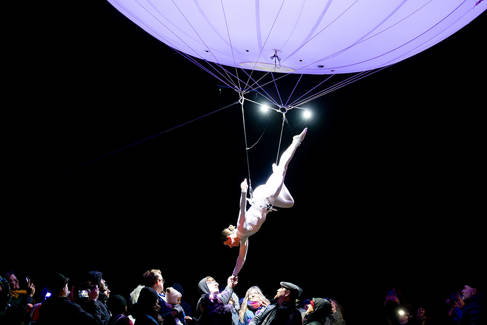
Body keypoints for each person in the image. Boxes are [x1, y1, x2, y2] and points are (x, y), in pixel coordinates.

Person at [222, 128, 308, 276]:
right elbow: (241, 259)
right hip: (269, 201)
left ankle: (296, 141)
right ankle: (276, 174)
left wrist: (243, 190)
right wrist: (234, 275)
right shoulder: (244, 239)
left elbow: (242, 209)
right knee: (289, 202)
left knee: (283, 169)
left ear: (230, 237)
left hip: (264, 197)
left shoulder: (241, 228)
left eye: (229, 243)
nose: (232, 246)